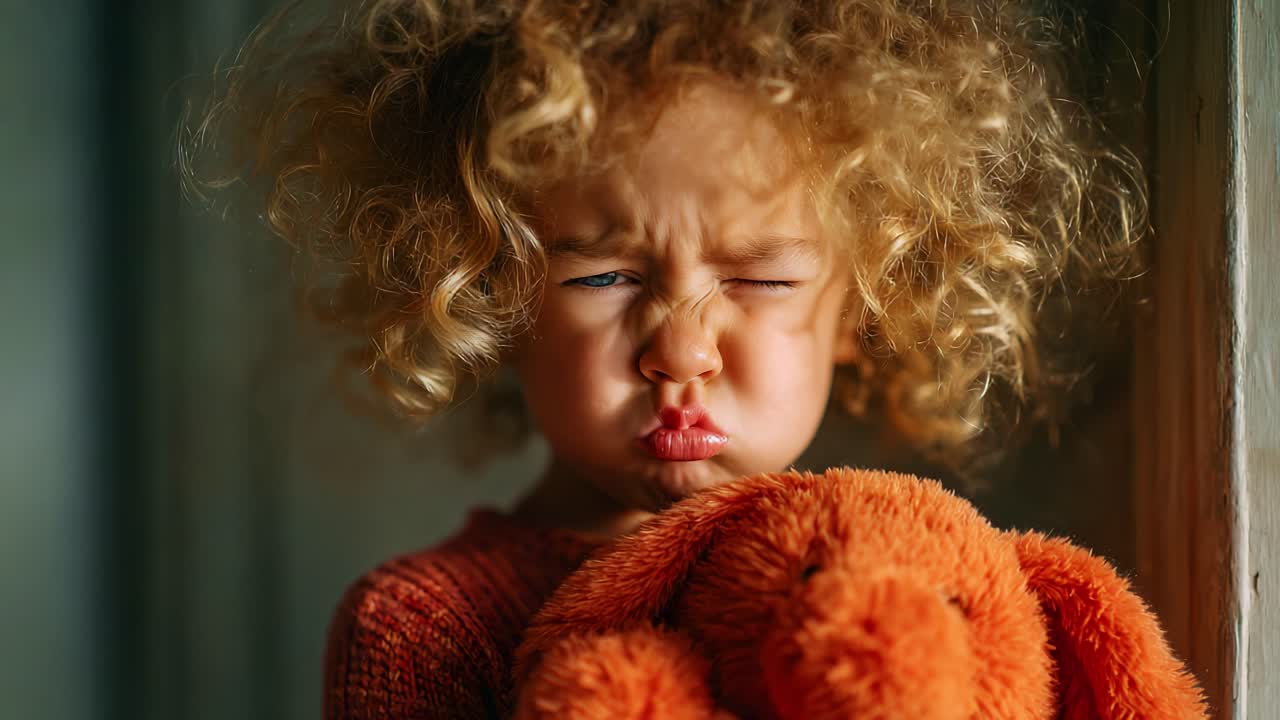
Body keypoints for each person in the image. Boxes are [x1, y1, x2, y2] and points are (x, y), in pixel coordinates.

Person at [185, 1, 1147, 717]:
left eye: (760, 282)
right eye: (603, 280)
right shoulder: (421, 629)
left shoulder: (902, 584)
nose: (681, 350)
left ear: (866, 306)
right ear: (491, 297)